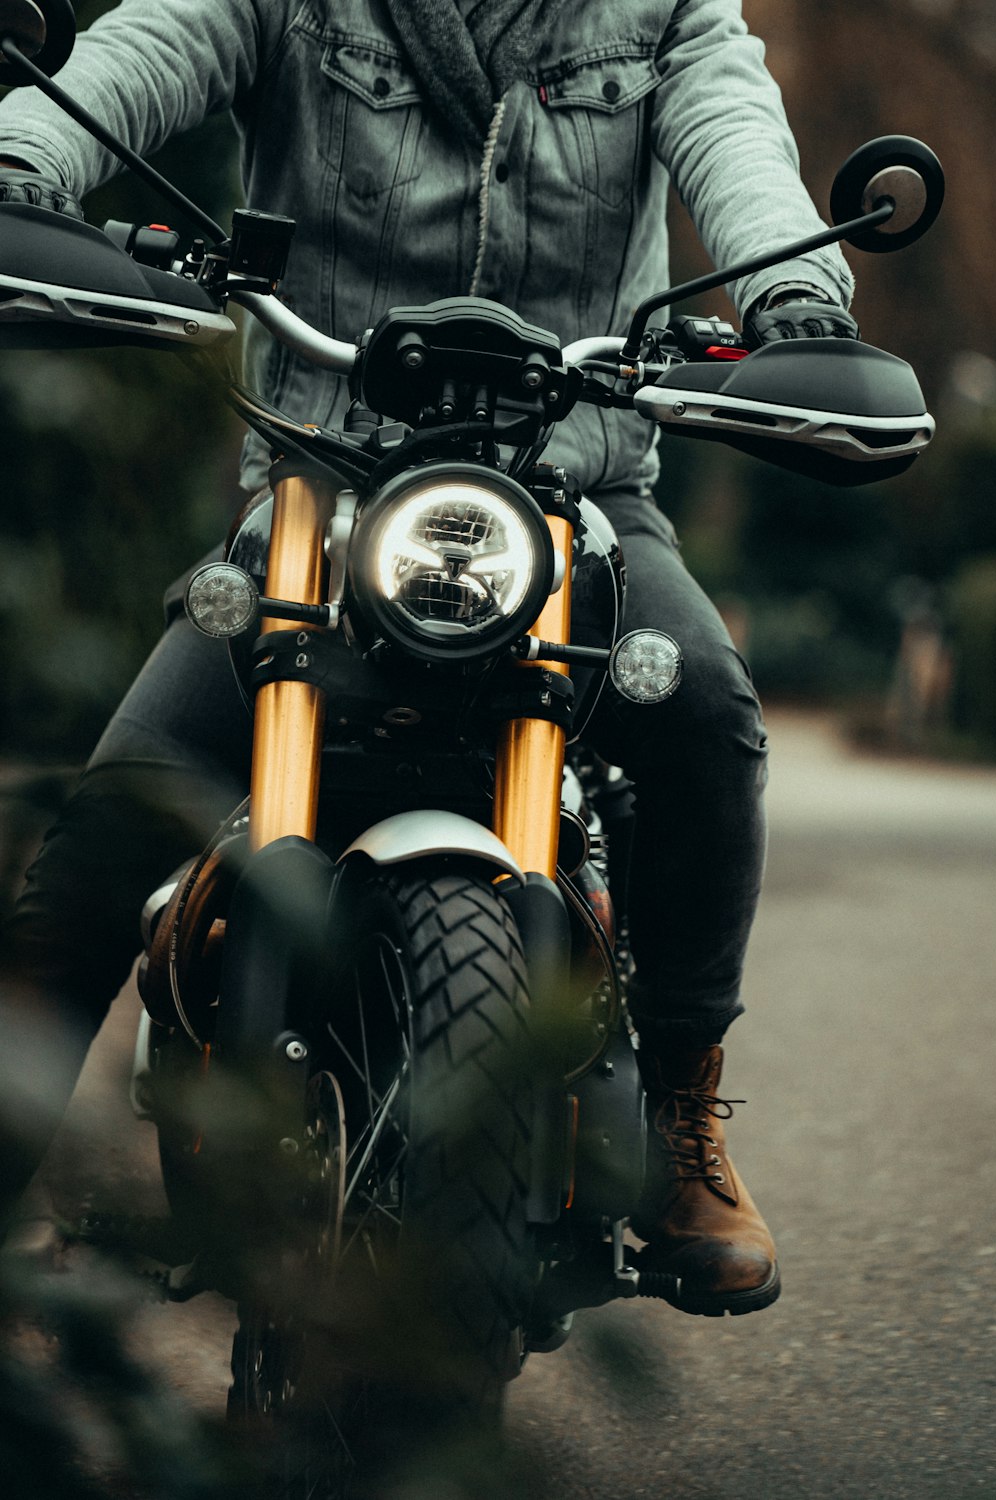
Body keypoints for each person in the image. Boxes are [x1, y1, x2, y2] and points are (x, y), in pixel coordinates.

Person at [0, 0, 858, 1315]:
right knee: (116, 811)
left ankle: (687, 1121)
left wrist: (797, 297)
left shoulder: (666, 11)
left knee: (704, 715)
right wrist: (24, 161)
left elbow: (736, 138)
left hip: (580, 493)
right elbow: (146, 53)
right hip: (320, 486)